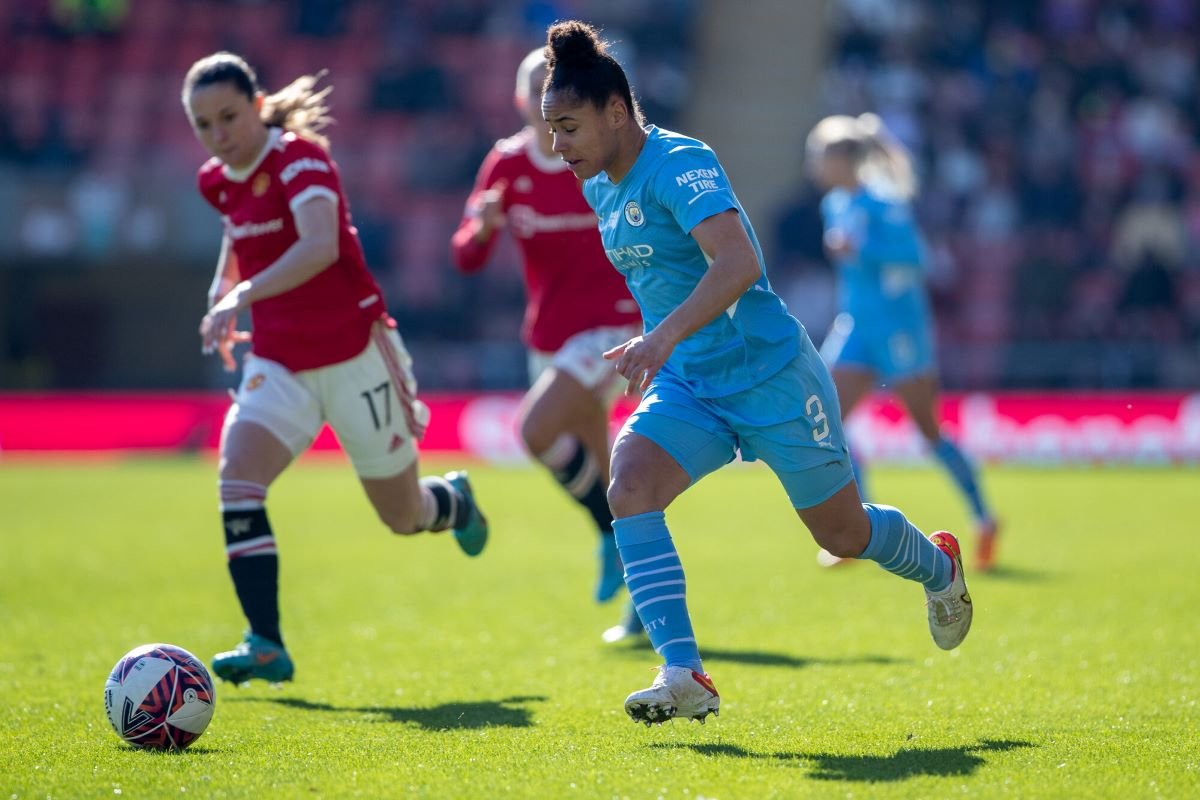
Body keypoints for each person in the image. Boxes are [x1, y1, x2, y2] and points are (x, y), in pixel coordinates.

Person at [540, 20, 974, 726]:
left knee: (840, 535)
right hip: (692, 382)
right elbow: (663, 277)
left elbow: (739, 264)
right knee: (630, 483)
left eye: (568, 127)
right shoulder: (602, 186)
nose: (558, 147)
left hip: (773, 374)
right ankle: (683, 673)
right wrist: (657, 343)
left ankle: (939, 568)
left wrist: (661, 337)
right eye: (551, 130)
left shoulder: (680, 163)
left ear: (616, 112)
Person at [183, 52, 489, 685]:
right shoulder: (217, 178)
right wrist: (223, 291)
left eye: (229, 117)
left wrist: (240, 296)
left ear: (259, 106)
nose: (219, 136)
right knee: (237, 479)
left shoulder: (300, 159)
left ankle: (453, 501)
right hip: (279, 363)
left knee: (402, 517)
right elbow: (235, 236)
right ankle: (265, 642)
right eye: (204, 124)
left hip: (355, 355)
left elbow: (319, 247)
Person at [450, 48, 644, 639]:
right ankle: (642, 592)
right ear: (521, 101)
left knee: (536, 431)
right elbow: (466, 256)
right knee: (610, 468)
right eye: (538, 88)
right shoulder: (506, 164)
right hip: (551, 337)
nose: (549, 98)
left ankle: (611, 538)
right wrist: (481, 228)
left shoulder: (598, 157)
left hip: (612, 326)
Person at [805, 114, 999, 572]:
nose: (814, 164)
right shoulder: (835, 204)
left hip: (898, 330)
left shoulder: (883, 203)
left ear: (844, 159)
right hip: (857, 327)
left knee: (929, 432)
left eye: (820, 155)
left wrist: (862, 251)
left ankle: (984, 518)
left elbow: (914, 258)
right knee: (827, 417)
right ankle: (860, 530)